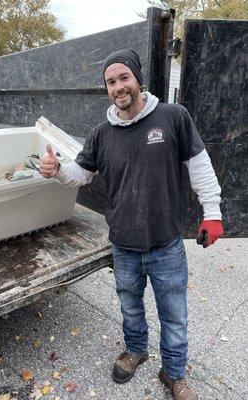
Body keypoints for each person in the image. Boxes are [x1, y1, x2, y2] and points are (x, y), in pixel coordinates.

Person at [40, 49, 224, 400]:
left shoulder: (173, 117)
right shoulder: (101, 133)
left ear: (138, 79)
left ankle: (173, 374)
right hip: (123, 244)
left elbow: (200, 166)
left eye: (124, 78)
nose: (118, 86)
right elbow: (82, 173)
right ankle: (136, 350)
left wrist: (212, 213)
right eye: (111, 82)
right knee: (130, 306)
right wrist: (59, 169)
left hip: (166, 244)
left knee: (175, 316)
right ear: (107, 89)